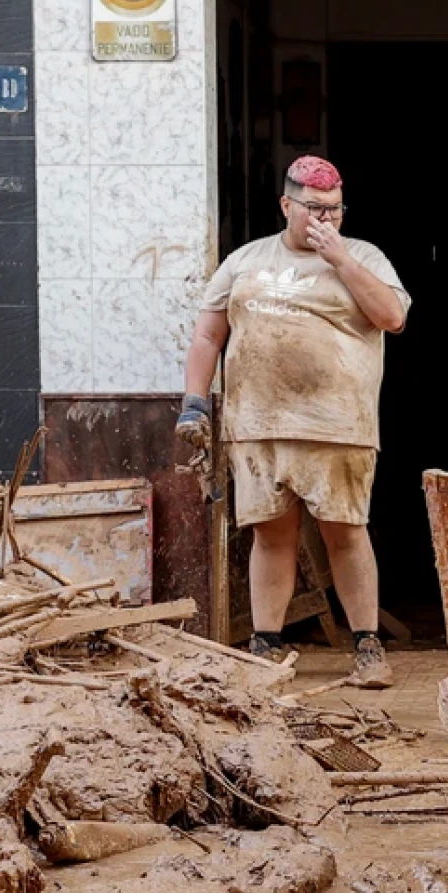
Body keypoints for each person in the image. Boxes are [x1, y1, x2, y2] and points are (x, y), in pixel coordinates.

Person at [177, 156, 409, 688]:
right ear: (287, 205)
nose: (325, 220)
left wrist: (341, 259)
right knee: (271, 535)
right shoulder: (244, 260)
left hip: (337, 426)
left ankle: (367, 647)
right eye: (313, 209)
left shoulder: (364, 256)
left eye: (335, 210)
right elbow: (208, 337)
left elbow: (393, 318)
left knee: (346, 534)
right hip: (256, 426)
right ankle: (266, 645)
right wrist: (195, 400)